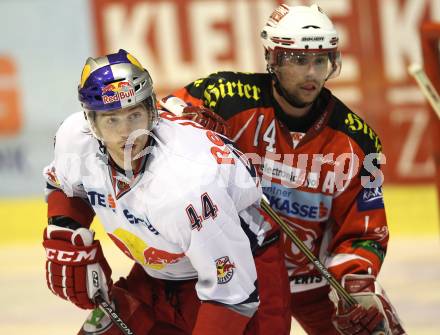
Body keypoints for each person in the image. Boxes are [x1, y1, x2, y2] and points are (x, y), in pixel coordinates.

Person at [168, 4, 406, 335]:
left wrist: (357, 288)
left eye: (320, 60)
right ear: (274, 59)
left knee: (375, 328)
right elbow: (163, 115)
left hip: (316, 283)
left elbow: (365, 231)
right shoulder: (224, 98)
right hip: (238, 276)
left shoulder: (359, 141)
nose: (311, 73)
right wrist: (184, 124)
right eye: (298, 59)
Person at [42, 49, 290, 335]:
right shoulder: (75, 139)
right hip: (156, 276)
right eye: (112, 120)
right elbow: (64, 184)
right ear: (91, 122)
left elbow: (233, 294)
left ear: (151, 111)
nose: (126, 133)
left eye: (134, 115)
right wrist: (66, 231)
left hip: (247, 270)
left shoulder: (188, 183)